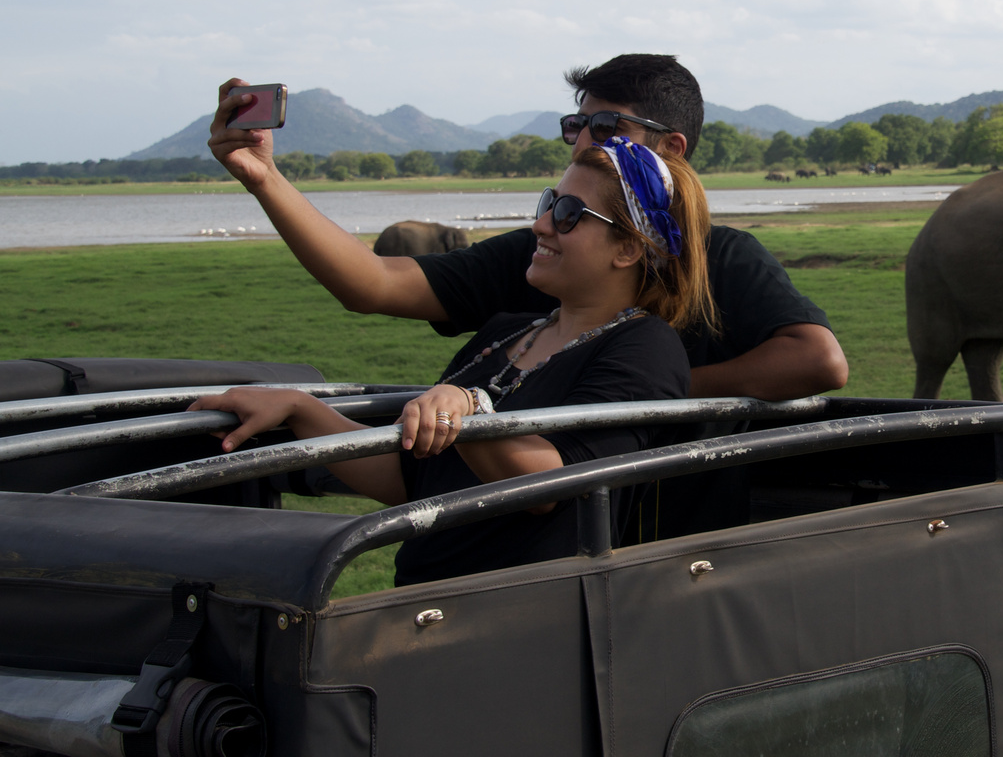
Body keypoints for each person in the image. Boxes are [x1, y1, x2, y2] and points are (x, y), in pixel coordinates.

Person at [189, 139, 711, 585]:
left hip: (517, 617)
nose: (541, 225)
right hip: (424, 604)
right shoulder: (508, 333)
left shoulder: (646, 347)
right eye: (548, 202)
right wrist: (299, 408)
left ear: (627, 248)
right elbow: (408, 476)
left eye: (569, 214)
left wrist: (470, 409)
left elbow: (548, 485)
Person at [208, 55, 847, 401]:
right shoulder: (551, 252)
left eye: (605, 127)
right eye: (577, 125)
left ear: (672, 149)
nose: (579, 144)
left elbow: (818, 360)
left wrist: (643, 397)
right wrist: (264, 177)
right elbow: (375, 284)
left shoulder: (721, 257)